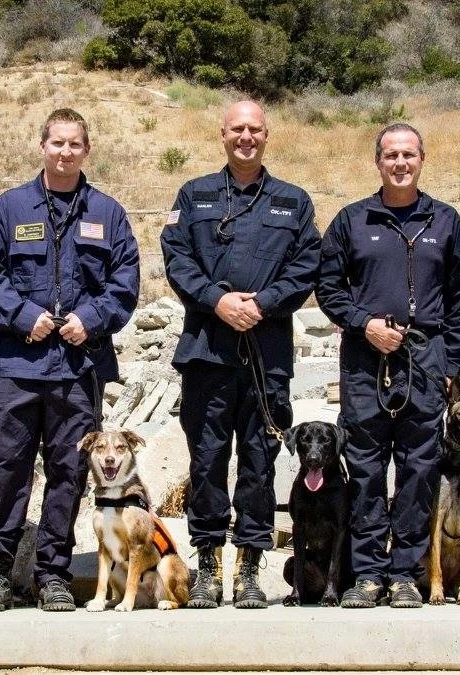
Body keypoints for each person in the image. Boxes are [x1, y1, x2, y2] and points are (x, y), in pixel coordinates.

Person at [0, 108, 139, 612]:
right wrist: (24, 315)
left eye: (74, 144)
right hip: (16, 367)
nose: (64, 152)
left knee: (68, 472)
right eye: (56, 143)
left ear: (86, 150)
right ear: (42, 145)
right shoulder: (8, 207)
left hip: (78, 367)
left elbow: (125, 280)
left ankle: (53, 575)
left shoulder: (106, 212)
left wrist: (91, 316)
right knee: (6, 470)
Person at [161, 100, 320, 609]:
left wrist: (264, 304)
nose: (245, 137)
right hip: (208, 350)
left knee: (259, 461)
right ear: (222, 134)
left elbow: (306, 266)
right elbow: (177, 259)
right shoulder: (194, 194)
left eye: (254, 129)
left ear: (267, 135)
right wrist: (218, 301)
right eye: (237, 129)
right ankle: (208, 565)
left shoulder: (293, 202)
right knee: (207, 460)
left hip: (267, 353)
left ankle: (250, 567)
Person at [316, 123, 460, 608]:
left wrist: (451, 362)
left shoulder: (445, 221)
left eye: (408, 154)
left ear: (422, 159)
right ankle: (368, 574)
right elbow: (328, 287)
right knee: (365, 468)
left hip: (425, 359)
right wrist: (363, 323)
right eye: (391, 155)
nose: (400, 163)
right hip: (366, 360)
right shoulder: (352, 219)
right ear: (378, 162)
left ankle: (406, 572)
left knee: (419, 469)